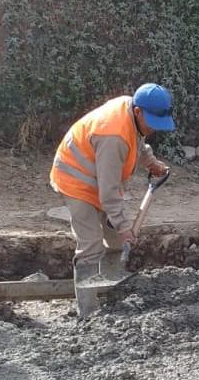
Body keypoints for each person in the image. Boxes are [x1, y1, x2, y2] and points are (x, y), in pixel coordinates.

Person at [50, 83, 173, 315]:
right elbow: (109, 192)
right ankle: (87, 313)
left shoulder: (131, 110)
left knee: (117, 240)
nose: (154, 129)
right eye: (152, 123)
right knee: (91, 243)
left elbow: (137, 140)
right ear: (138, 112)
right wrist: (125, 226)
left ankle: (111, 292)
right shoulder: (113, 135)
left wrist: (151, 162)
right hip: (75, 181)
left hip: (99, 178)